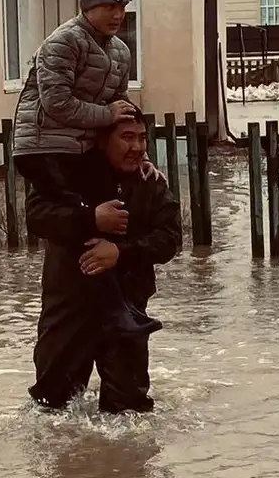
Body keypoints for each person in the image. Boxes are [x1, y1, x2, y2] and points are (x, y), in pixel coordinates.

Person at [12, 0, 162, 338]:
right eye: (108, 6)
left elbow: (120, 106)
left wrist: (140, 155)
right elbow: (57, 102)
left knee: (109, 207)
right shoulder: (63, 42)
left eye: (122, 5)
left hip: (79, 147)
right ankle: (113, 312)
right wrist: (106, 113)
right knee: (86, 217)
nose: (117, 13)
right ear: (87, 6)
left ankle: (119, 309)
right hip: (43, 145)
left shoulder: (121, 52)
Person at [25, 106, 182, 413]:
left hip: (127, 310)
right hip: (69, 308)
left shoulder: (151, 182)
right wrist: (90, 219)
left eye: (141, 138)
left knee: (129, 415)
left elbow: (169, 240)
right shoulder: (68, 176)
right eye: (126, 137)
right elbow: (37, 217)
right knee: (52, 411)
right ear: (100, 141)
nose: (136, 147)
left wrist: (120, 253)